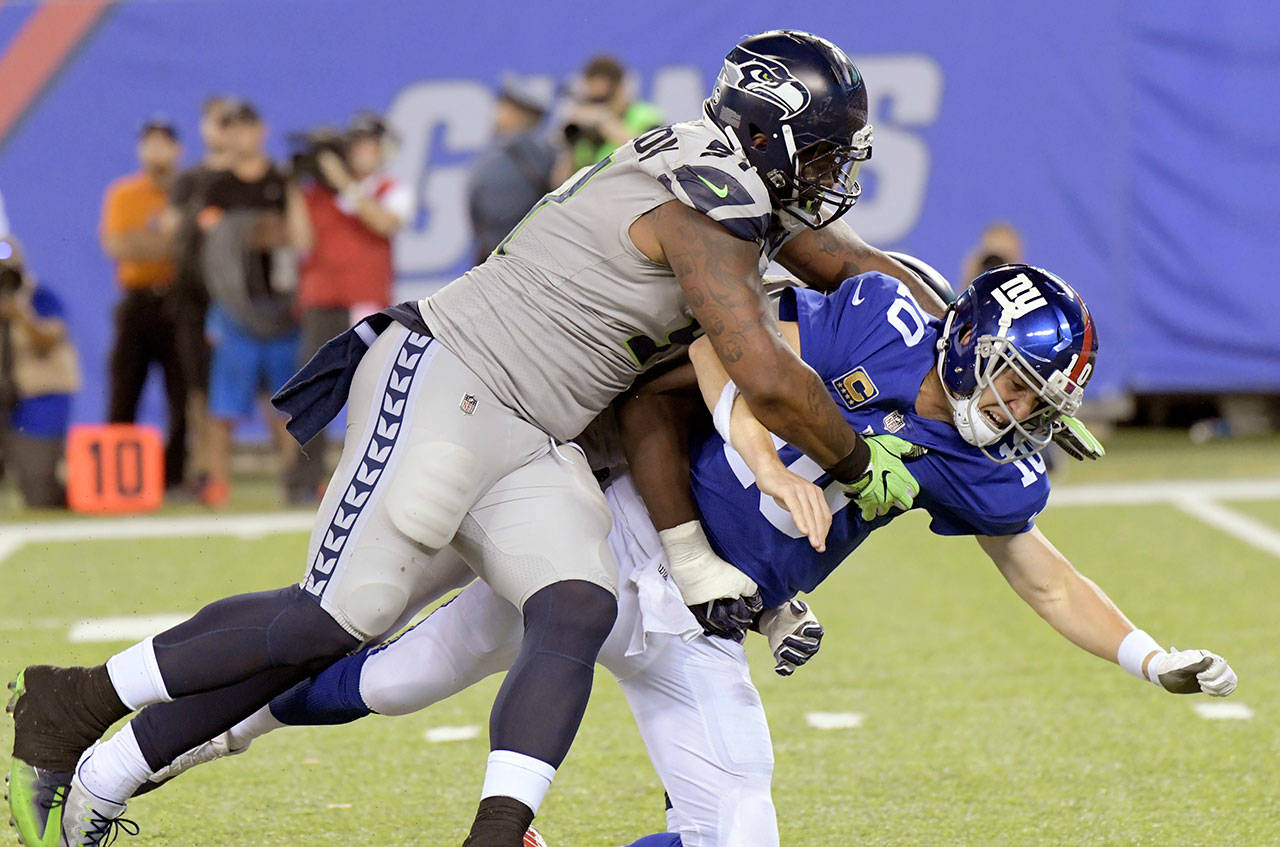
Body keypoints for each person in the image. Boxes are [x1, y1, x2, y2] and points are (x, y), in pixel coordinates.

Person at [9, 30, 943, 847]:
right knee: (329, 624)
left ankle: (495, 834)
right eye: (822, 155)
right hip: (450, 380)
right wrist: (861, 466)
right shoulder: (706, 199)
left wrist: (963, 318)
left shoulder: (743, 191)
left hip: (536, 433)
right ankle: (75, 699)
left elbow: (852, 261)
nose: (832, 177)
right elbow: (766, 373)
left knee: (576, 602)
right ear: (772, 137)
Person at [104, 264, 1237, 847]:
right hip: (611, 535)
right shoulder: (877, 320)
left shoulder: (983, 459)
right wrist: (754, 440)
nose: (1020, 411)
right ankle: (207, 731)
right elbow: (726, 340)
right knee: (397, 675)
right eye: (1016, 385)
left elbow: (1039, 572)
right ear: (972, 344)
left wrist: (1144, 655)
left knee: (736, 834)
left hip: (707, 620)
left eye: (1037, 399)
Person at [287, 112, 412, 503]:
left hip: (366, 301)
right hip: (322, 301)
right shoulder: (318, 195)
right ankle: (303, 479)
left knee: (370, 392)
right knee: (315, 393)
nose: (363, 153)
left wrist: (346, 185)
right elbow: (300, 241)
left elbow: (385, 223)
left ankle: (368, 475)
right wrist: (293, 187)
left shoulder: (391, 188)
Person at [196, 99, 310, 507]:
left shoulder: (282, 182)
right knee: (224, 402)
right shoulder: (217, 185)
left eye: (246, 126)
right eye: (232, 128)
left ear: (260, 129)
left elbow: (297, 240)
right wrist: (258, 231)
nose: (240, 135)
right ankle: (218, 482)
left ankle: (293, 479)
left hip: (279, 308)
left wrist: (291, 196)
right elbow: (219, 241)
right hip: (234, 309)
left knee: (283, 401)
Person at [99, 117, 187, 489]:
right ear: (140, 149)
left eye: (163, 143)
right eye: (149, 143)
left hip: (180, 301)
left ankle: (173, 478)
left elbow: (190, 250)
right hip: (137, 302)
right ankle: (114, 477)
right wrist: (168, 243)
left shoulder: (189, 190)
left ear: (177, 149)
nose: (156, 150)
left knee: (182, 391)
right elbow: (118, 246)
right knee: (124, 388)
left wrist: (147, 244)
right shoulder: (124, 193)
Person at [162, 96, 236, 499]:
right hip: (195, 296)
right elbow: (173, 230)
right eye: (216, 122)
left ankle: (290, 473)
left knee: (257, 385)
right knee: (198, 386)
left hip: (240, 299)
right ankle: (206, 469)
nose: (222, 130)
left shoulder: (251, 176)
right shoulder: (190, 181)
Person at [0, 236, 80, 508]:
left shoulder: (39, 297)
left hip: (38, 395)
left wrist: (22, 316)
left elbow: (51, 338)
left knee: (39, 490)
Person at [468, 76, 557, 263]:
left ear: (521, 115)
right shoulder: (496, 153)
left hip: (524, 258)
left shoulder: (536, 152)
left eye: (504, 107)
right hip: (496, 256)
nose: (497, 113)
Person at [550, 54, 664, 186]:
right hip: (594, 200)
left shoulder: (645, 116)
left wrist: (604, 120)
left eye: (603, 99)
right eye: (593, 99)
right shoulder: (584, 129)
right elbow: (559, 185)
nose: (598, 105)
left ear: (621, 89)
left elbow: (652, 157)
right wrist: (568, 144)